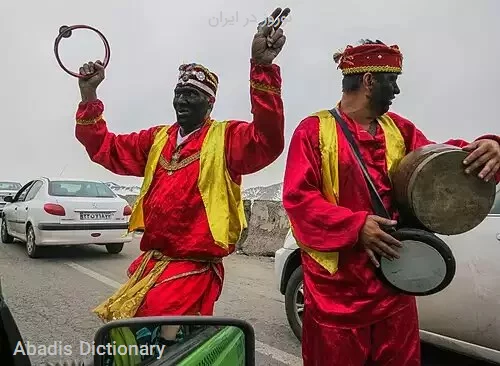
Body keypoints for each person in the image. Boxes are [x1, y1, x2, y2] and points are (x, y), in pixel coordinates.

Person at [73, 7, 290, 342]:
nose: (182, 101)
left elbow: (268, 140)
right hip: (152, 266)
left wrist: (262, 69)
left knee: (171, 346)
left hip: (192, 272)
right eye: (178, 94)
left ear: (209, 103)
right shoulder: (156, 140)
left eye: (192, 95)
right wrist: (89, 95)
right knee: (136, 342)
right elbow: (106, 148)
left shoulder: (226, 138)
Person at [282, 39, 500, 366]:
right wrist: (356, 227)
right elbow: (298, 199)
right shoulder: (313, 131)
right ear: (369, 80)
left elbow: (437, 165)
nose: (396, 90)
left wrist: (488, 147)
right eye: (392, 80)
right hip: (337, 295)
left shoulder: (399, 129)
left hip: (393, 288)